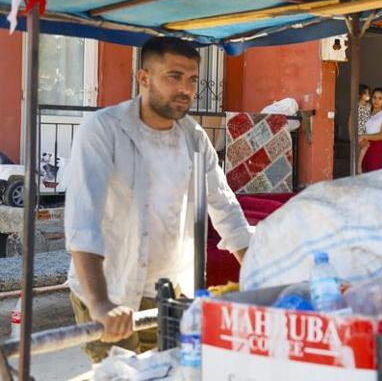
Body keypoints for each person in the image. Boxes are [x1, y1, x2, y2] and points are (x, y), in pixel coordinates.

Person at [64, 37, 252, 363]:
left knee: (171, 372)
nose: (186, 89)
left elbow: (224, 207)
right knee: (119, 373)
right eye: (174, 76)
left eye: (192, 79)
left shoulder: (194, 137)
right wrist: (100, 304)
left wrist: (258, 275)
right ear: (144, 78)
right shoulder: (103, 130)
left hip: (170, 293)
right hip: (111, 289)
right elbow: (83, 221)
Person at [359, 87, 382, 172]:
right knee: (361, 175)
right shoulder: (367, 111)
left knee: (372, 173)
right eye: (374, 97)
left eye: (380, 98)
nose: (376, 101)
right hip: (362, 145)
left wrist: (363, 136)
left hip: (374, 148)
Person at [356, 84, 371, 174]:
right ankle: (358, 168)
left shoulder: (369, 105)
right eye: (365, 93)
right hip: (358, 131)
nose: (368, 95)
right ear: (360, 94)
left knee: (364, 147)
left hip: (367, 131)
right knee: (365, 146)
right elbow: (351, 119)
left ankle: (358, 168)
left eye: (368, 93)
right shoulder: (356, 105)